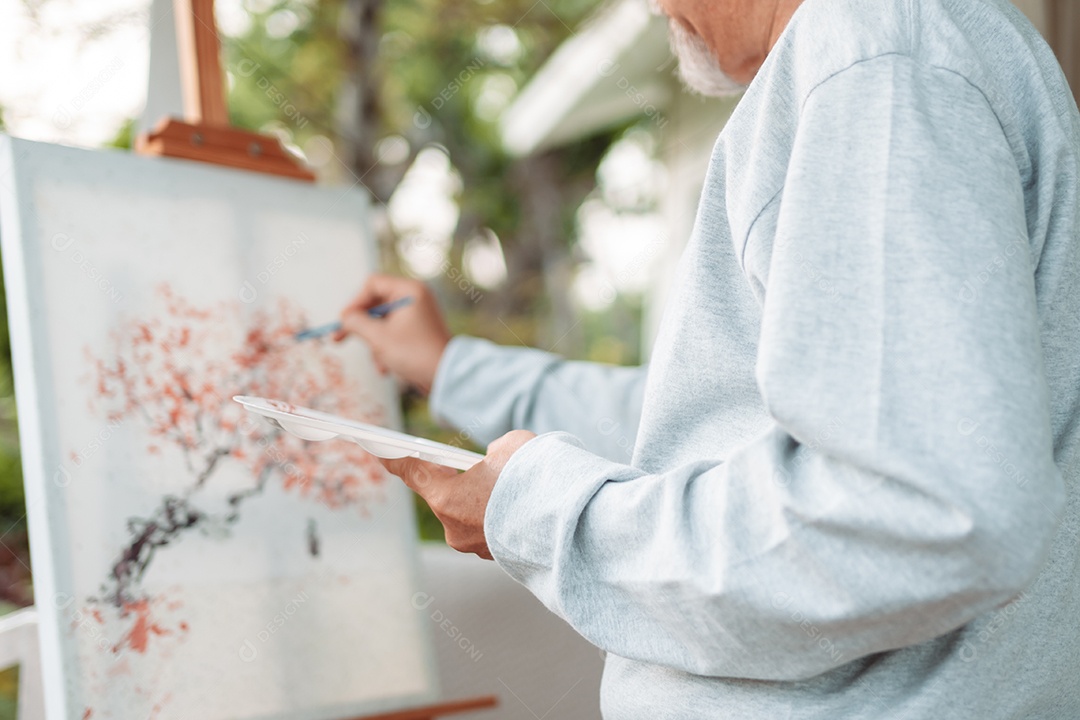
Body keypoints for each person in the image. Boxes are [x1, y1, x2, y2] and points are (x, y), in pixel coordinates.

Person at [337, 0, 1080, 715]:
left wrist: (541, 516)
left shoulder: (872, 58)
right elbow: (702, 430)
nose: (650, 6)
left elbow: (916, 509)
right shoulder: (878, 54)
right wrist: (451, 370)